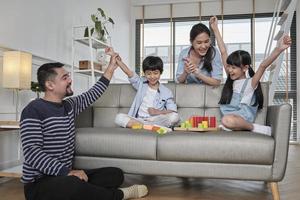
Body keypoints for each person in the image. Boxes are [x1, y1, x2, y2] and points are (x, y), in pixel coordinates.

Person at [20, 54, 148, 200]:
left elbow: (93, 93)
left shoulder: (69, 106)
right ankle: (119, 195)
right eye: (65, 78)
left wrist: (111, 67)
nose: (70, 80)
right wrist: (66, 172)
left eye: (68, 76)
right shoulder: (34, 109)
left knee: (115, 174)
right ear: (50, 85)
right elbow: (32, 152)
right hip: (39, 183)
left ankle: (85, 193)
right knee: (73, 184)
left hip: (64, 175)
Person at [209, 16, 292, 135]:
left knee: (226, 120)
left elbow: (263, 66)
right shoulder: (231, 79)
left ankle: (254, 128)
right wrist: (215, 29)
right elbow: (223, 52)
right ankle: (232, 126)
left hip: (243, 118)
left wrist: (279, 49)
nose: (230, 70)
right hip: (231, 115)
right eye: (229, 67)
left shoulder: (251, 82)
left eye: (234, 67)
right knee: (225, 121)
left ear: (245, 68)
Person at [105, 48, 180, 129]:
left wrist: (157, 112)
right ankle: (148, 127)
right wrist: (114, 56)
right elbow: (128, 72)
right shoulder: (141, 83)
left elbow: (172, 110)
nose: (152, 76)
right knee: (119, 118)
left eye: (155, 73)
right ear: (144, 73)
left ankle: (148, 127)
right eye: (149, 73)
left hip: (156, 119)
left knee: (175, 117)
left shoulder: (166, 92)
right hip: (139, 120)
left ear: (160, 72)